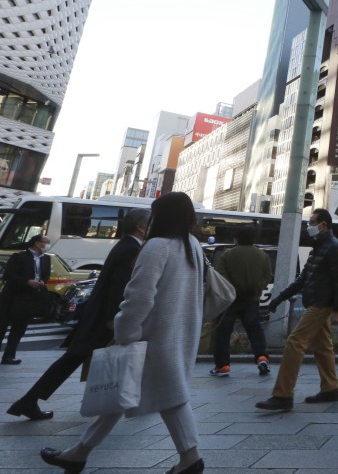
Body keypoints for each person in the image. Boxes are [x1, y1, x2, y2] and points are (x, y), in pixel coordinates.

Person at [39, 192, 205, 474]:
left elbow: (138, 297)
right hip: (179, 333)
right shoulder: (192, 245)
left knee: (167, 397)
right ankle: (78, 454)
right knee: (122, 392)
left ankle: (191, 459)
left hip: (151, 336)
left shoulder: (157, 247)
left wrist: (125, 331)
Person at [8, 209, 150, 420]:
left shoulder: (127, 246)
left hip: (100, 316)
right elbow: (117, 286)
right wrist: (112, 317)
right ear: (140, 226)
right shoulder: (130, 248)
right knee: (77, 358)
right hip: (104, 318)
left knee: (75, 358)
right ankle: (30, 401)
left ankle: (29, 401)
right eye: (151, 222)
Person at [256, 207, 338, 411]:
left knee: (295, 342)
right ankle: (330, 388)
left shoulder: (333, 247)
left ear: (324, 225)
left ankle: (283, 394)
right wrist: (279, 298)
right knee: (322, 347)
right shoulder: (319, 247)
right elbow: (303, 278)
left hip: (322, 304)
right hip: (316, 301)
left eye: (312, 223)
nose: (309, 226)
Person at [209, 224, 273, 378]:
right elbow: (267, 276)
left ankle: (222, 366)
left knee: (223, 332)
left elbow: (221, 277)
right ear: (254, 238)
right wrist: (256, 289)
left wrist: (235, 290)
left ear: (236, 238)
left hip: (230, 300)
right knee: (255, 330)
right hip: (252, 299)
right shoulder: (263, 256)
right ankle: (262, 358)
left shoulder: (227, 255)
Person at [0, 233, 52, 365]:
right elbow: (9, 276)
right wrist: (27, 282)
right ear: (37, 243)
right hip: (12, 297)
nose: (47, 245)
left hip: (30, 298)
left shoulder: (46, 259)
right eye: (46, 242)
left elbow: (45, 275)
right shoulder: (19, 257)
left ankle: (9, 356)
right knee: (2, 326)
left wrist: (41, 282)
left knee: (19, 328)